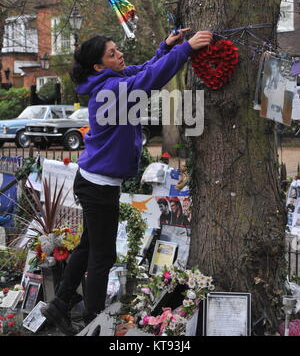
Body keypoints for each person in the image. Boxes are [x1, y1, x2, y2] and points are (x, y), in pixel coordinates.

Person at [41, 28, 212, 335]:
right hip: (98, 185)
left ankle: (60, 305)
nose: (119, 54)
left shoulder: (108, 81)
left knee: (88, 246)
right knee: (102, 256)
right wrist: (185, 49)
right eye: (111, 53)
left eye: (117, 49)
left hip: (94, 181)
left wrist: (165, 47)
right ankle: (95, 321)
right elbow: (149, 79)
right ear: (98, 66)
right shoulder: (113, 89)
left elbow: (141, 70)